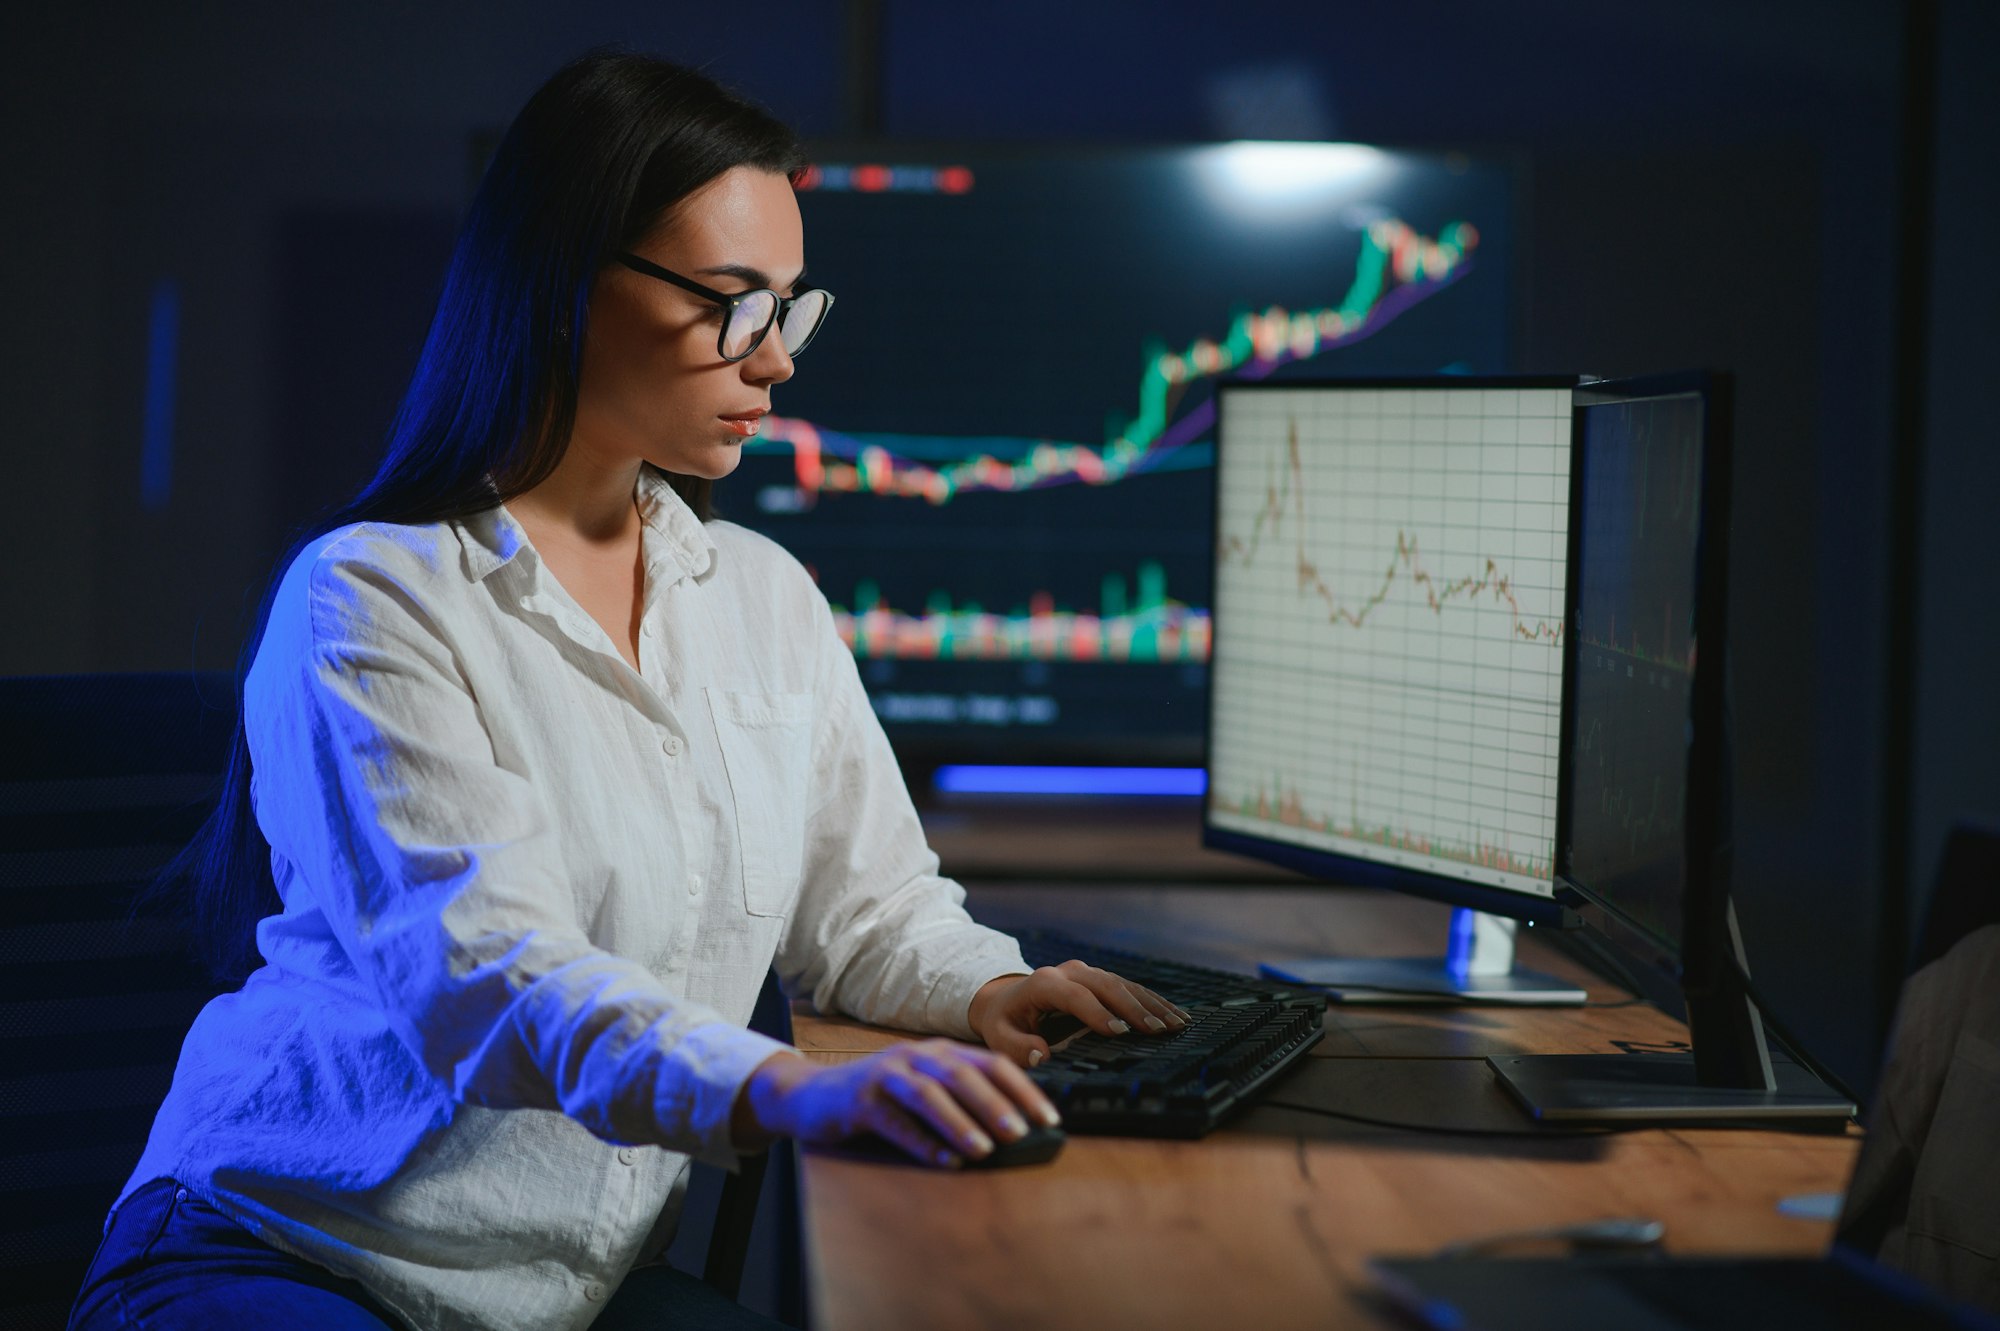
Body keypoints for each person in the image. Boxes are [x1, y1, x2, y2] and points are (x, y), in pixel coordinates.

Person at [70, 50, 1186, 1331]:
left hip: (567, 1296)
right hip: (294, 1250)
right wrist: (785, 1086)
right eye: (731, 303)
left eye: (788, 306)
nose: (773, 361)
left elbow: (869, 909)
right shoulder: (370, 598)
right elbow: (491, 982)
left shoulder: (763, 598)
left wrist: (985, 984)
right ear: (563, 285)